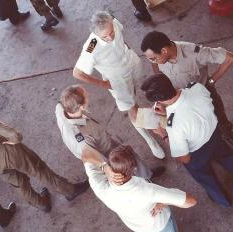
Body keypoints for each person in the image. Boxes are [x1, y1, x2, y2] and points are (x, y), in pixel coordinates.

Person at [73, 11, 165, 160]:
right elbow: (77, 73)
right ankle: (150, 140)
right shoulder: (92, 45)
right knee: (131, 108)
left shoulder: (113, 20)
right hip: (117, 79)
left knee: (135, 93)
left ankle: (145, 113)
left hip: (131, 63)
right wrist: (104, 84)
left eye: (111, 33)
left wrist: (127, 50)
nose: (110, 37)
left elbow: (121, 38)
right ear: (96, 35)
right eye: (105, 37)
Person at [81, 145, 196, 232]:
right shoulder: (146, 190)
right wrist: (163, 203)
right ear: (134, 169)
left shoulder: (100, 186)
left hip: (137, 225)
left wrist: (104, 167)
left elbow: (85, 152)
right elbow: (190, 201)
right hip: (160, 224)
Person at [141, 73, 233, 207]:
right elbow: (191, 110)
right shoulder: (197, 87)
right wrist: (168, 112)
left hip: (197, 154)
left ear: (159, 101)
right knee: (227, 156)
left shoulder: (173, 126)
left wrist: (164, 135)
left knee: (205, 177)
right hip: (215, 136)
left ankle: (222, 200)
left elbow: (184, 158)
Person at [0, 111, 89, 212]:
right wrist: (16, 138)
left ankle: (42, 204)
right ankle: (69, 191)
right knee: (39, 170)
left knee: (19, 185)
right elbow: (11, 134)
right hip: (11, 152)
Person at [55, 85, 164, 180]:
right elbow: (87, 155)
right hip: (106, 153)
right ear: (81, 106)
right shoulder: (80, 136)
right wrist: (106, 167)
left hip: (103, 139)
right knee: (126, 166)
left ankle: (147, 174)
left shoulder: (62, 107)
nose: (88, 95)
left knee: (131, 156)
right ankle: (146, 181)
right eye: (86, 96)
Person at [140, 31, 233, 138]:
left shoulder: (194, 53)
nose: (152, 62)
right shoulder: (159, 58)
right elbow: (157, 71)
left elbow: (229, 58)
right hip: (178, 97)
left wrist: (211, 81)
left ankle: (227, 133)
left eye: (153, 58)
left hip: (203, 95)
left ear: (164, 51)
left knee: (219, 120)